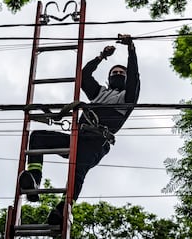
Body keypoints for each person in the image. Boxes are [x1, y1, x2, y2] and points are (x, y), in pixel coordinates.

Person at [18, 34, 140, 225]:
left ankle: (62, 209)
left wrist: (130, 49)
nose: (118, 75)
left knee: (77, 171)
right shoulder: (100, 93)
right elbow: (83, 77)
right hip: (78, 136)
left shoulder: (127, 98)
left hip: (96, 143)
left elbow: (134, 76)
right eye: (114, 73)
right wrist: (101, 57)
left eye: (121, 74)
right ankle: (34, 179)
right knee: (37, 137)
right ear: (108, 79)